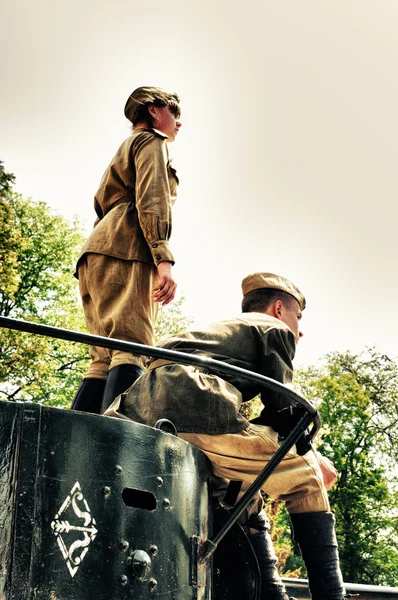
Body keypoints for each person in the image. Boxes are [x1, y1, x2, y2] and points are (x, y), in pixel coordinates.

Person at [106, 272, 345, 600]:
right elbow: (285, 413)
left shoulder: (216, 332)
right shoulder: (274, 329)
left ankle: (267, 591)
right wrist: (314, 458)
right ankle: (331, 593)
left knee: (236, 493)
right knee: (307, 476)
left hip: (142, 409)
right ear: (278, 309)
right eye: (297, 317)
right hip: (197, 407)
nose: (299, 329)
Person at [71, 86, 182, 414]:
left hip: (96, 253)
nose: (179, 122)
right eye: (174, 113)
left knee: (103, 357)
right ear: (153, 110)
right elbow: (152, 199)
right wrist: (163, 259)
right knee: (132, 347)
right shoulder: (151, 143)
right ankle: (112, 452)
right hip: (128, 247)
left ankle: (69, 451)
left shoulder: (123, 149)